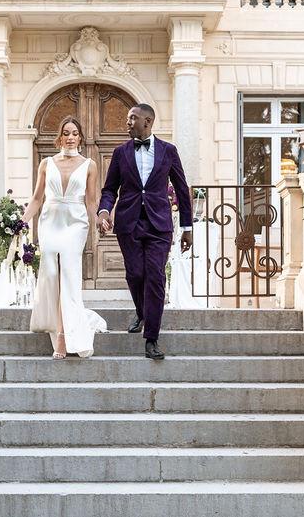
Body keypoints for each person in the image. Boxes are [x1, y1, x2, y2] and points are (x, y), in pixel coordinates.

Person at [97, 104, 192, 360]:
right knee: (136, 274)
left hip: (159, 224)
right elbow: (109, 190)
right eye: (128, 118)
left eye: (132, 118)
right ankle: (141, 311)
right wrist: (104, 212)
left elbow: (182, 190)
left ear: (147, 121)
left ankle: (151, 338)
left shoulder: (168, 151)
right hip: (129, 224)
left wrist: (187, 227)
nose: (127, 122)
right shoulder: (120, 153)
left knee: (156, 277)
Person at [23, 116, 107, 358]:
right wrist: (22, 222)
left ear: (80, 137)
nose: (70, 137)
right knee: (51, 273)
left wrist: (99, 220)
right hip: (50, 222)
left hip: (75, 224)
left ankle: (62, 336)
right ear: (59, 136)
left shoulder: (90, 164)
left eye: (75, 133)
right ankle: (57, 322)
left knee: (68, 275)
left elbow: (91, 201)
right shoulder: (46, 164)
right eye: (66, 132)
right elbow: (37, 198)